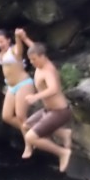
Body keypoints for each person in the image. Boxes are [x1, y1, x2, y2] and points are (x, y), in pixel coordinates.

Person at [14, 29, 73, 172]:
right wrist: (25, 37)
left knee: (30, 138)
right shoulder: (40, 61)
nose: (32, 62)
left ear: (43, 57)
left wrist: (36, 97)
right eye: (30, 60)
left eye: (34, 59)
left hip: (59, 111)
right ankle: (64, 133)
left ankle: (63, 153)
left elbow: (54, 89)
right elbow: (35, 48)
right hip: (49, 110)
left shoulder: (48, 70)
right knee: (25, 125)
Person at [0, 5, 34, 138]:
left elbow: (20, 48)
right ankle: (30, 133)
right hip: (11, 86)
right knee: (6, 116)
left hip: (23, 83)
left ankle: (31, 137)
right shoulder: (1, 52)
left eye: (2, 42)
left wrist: (18, 37)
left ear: (8, 40)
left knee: (20, 115)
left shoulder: (13, 51)